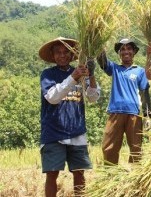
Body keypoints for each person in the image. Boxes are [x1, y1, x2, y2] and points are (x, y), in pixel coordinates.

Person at [39, 37, 100, 197]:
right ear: (53, 56)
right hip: (53, 133)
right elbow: (52, 97)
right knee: (52, 173)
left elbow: (93, 97)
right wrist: (73, 77)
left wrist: (91, 75)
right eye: (58, 52)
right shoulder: (48, 75)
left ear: (72, 55)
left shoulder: (81, 72)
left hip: (77, 132)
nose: (62, 55)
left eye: (66, 52)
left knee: (79, 173)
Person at [97, 38, 151, 165]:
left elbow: (145, 93)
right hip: (115, 112)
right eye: (122, 49)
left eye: (129, 48)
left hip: (134, 114)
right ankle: (110, 175)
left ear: (134, 52)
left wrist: (148, 115)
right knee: (108, 146)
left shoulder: (139, 71)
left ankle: (135, 175)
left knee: (136, 147)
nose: (126, 51)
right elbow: (102, 62)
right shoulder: (114, 68)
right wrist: (100, 44)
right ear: (119, 53)